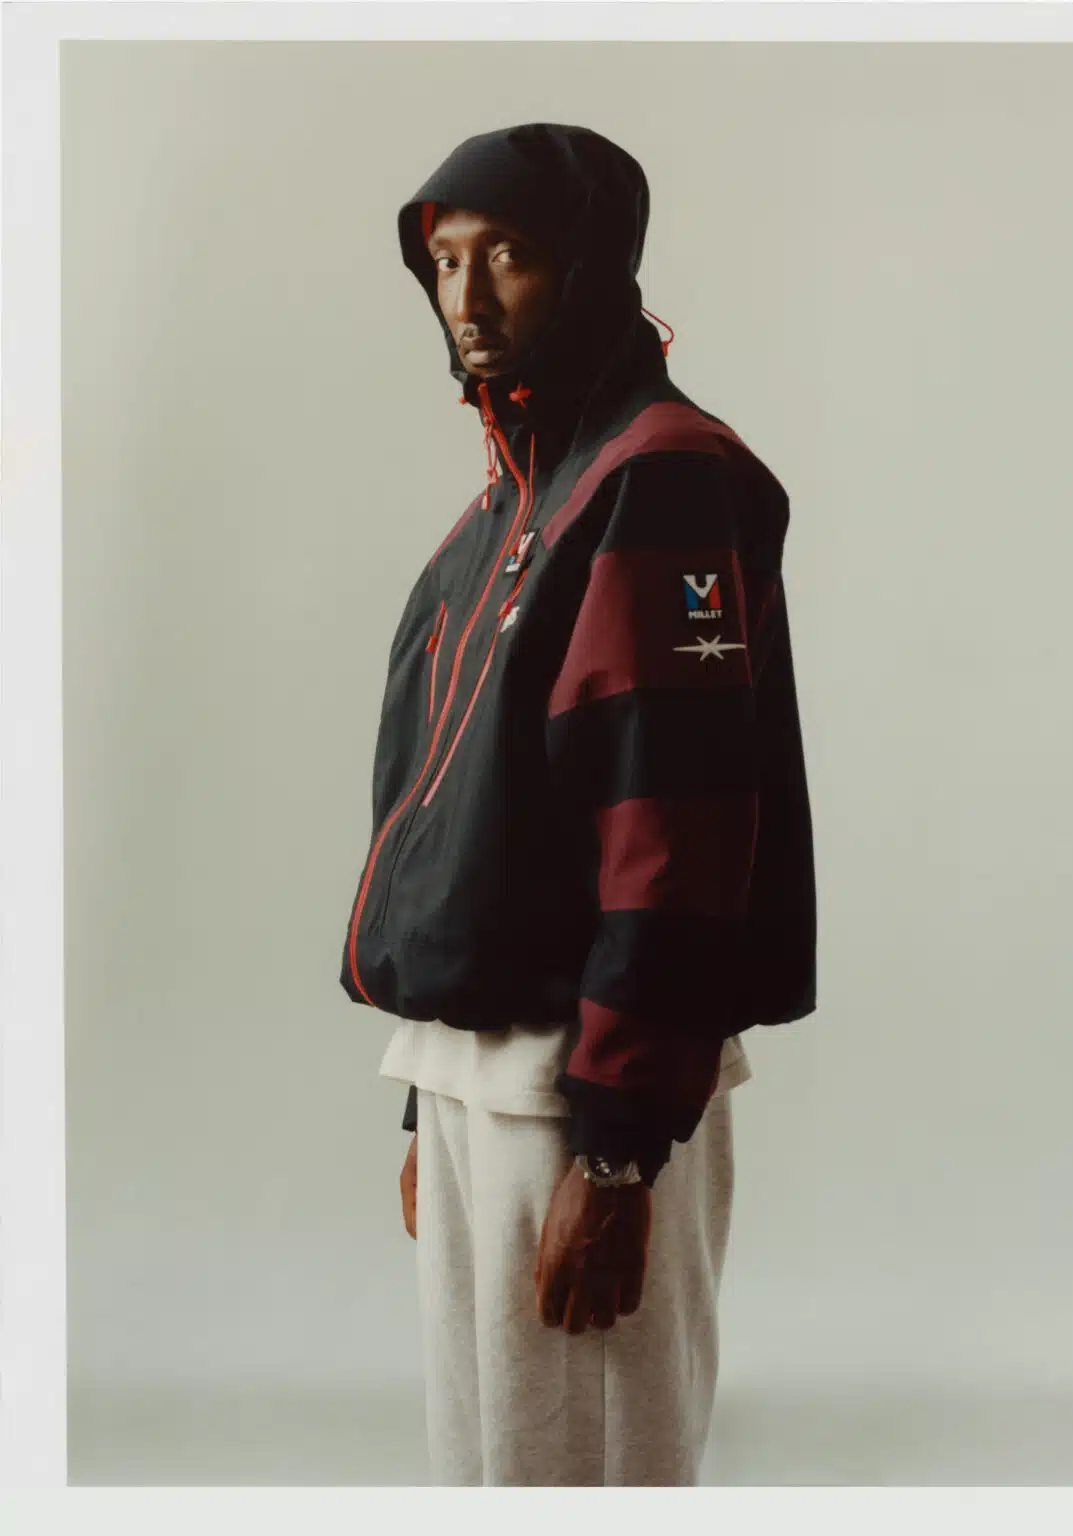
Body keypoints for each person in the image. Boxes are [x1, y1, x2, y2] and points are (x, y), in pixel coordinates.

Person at [339, 123, 817, 1486]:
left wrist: (615, 1158)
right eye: (446, 262)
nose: (469, 297)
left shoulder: (661, 476)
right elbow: (460, 815)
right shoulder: (514, 498)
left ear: (595, 265)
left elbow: (676, 827)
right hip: (481, 1077)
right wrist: (429, 1097)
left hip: (587, 1088)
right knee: (494, 1470)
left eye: (511, 256)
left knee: (592, 1470)